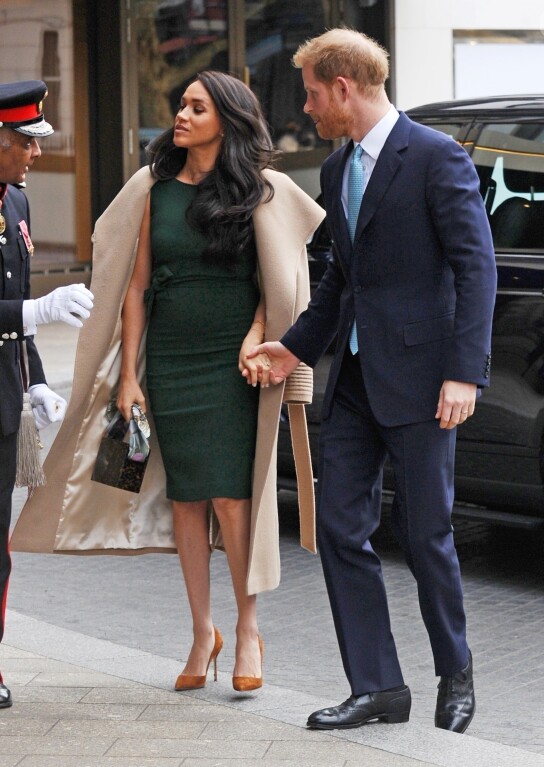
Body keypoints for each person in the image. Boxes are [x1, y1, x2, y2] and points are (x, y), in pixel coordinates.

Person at [11, 71, 323, 693]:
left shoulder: (262, 191)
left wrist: (257, 330)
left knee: (234, 500)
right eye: (180, 104)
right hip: (172, 362)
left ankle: (248, 630)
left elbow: (281, 280)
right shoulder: (155, 192)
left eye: (196, 108)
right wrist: (128, 377)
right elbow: (134, 287)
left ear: (226, 121)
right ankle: (202, 631)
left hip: (235, 366)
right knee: (186, 500)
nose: (180, 115)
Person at [248, 29, 497, 732]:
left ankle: (455, 670)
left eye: (311, 94)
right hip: (355, 379)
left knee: (426, 537)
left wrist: (463, 373)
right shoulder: (336, 170)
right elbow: (339, 280)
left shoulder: (436, 157)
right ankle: (379, 685)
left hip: (424, 381)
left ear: (344, 88)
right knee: (339, 529)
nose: (307, 108)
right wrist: (293, 348)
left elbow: (477, 267)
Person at [0, 80, 94, 709]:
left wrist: (34, 378)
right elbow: (24, 304)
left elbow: (19, 292)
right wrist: (40, 311)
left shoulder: (16, 205)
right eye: (25, 142)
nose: (35, 153)